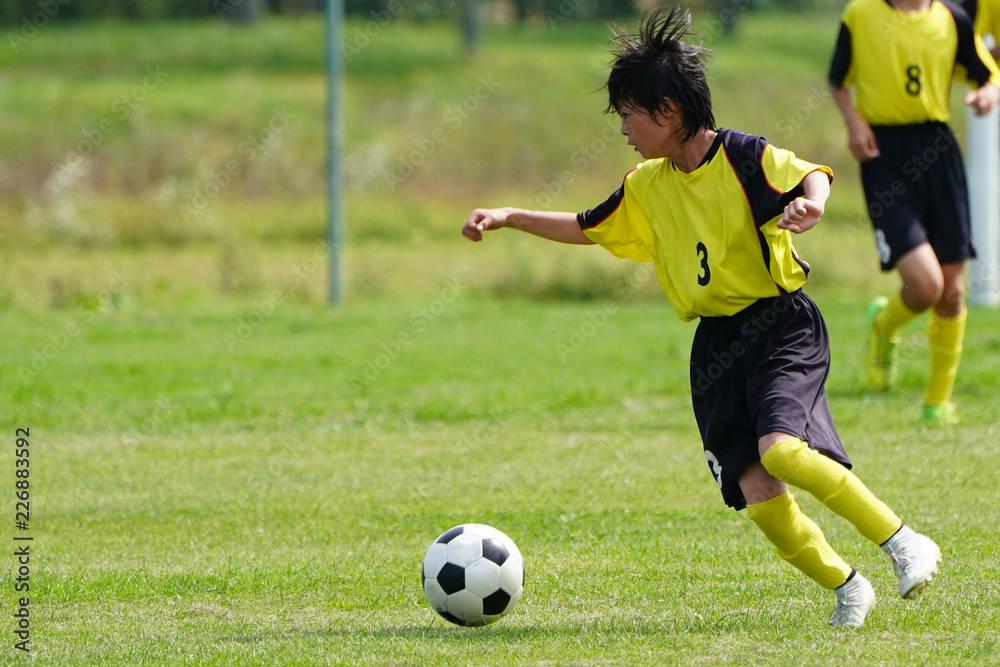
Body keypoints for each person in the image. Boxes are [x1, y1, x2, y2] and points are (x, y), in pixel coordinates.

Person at [461, 6, 941, 629]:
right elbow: (585, 226)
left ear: (668, 110)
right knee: (756, 490)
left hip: (779, 325)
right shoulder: (647, 185)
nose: (624, 129)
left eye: (629, 114)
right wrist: (509, 216)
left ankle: (904, 542)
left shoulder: (744, 159)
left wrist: (810, 208)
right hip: (715, 343)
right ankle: (847, 585)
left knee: (783, 452)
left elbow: (811, 176)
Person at [828, 0, 1000, 423]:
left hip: (939, 152)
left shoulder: (952, 19)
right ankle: (884, 328)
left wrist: (987, 94)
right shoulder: (861, 15)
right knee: (925, 287)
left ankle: (936, 403)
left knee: (952, 292)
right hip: (884, 157)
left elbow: (987, 72)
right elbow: (837, 80)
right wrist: (853, 122)